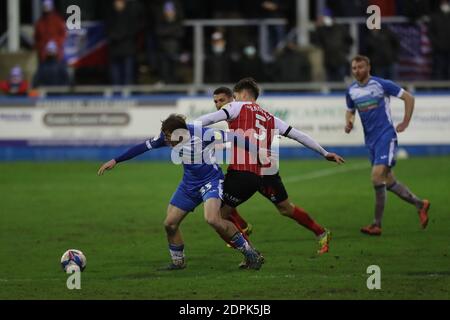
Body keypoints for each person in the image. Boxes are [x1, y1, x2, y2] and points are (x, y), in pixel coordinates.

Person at [195, 79, 345, 263]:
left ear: (242, 94)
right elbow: (299, 135)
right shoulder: (270, 117)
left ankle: (251, 249)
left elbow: (208, 119)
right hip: (264, 168)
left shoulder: (237, 107)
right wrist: (324, 152)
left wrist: (184, 127)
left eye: (233, 96)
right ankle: (245, 232)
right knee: (228, 205)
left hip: (250, 171)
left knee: (224, 212)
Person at [98, 114, 264, 270]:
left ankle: (250, 253)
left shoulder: (203, 133)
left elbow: (235, 137)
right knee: (170, 224)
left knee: (213, 219)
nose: (167, 140)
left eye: (169, 136)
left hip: (211, 182)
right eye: (166, 136)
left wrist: (259, 153)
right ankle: (178, 263)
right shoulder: (166, 137)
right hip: (189, 185)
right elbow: (143, 147)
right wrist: (116, 160)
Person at [344, 55, 430, 235]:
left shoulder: (381, 84)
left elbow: (409, 98)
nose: (357, 71)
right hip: (371, 142)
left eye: (360, 67)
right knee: (389, 182)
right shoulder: (351, 91)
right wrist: (349, 122)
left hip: (386, 136)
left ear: (368, 67)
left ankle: (376, 224)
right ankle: (420, 204)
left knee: (376, 177)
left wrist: (405, 122)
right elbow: (350, 111)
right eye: (354, 68)